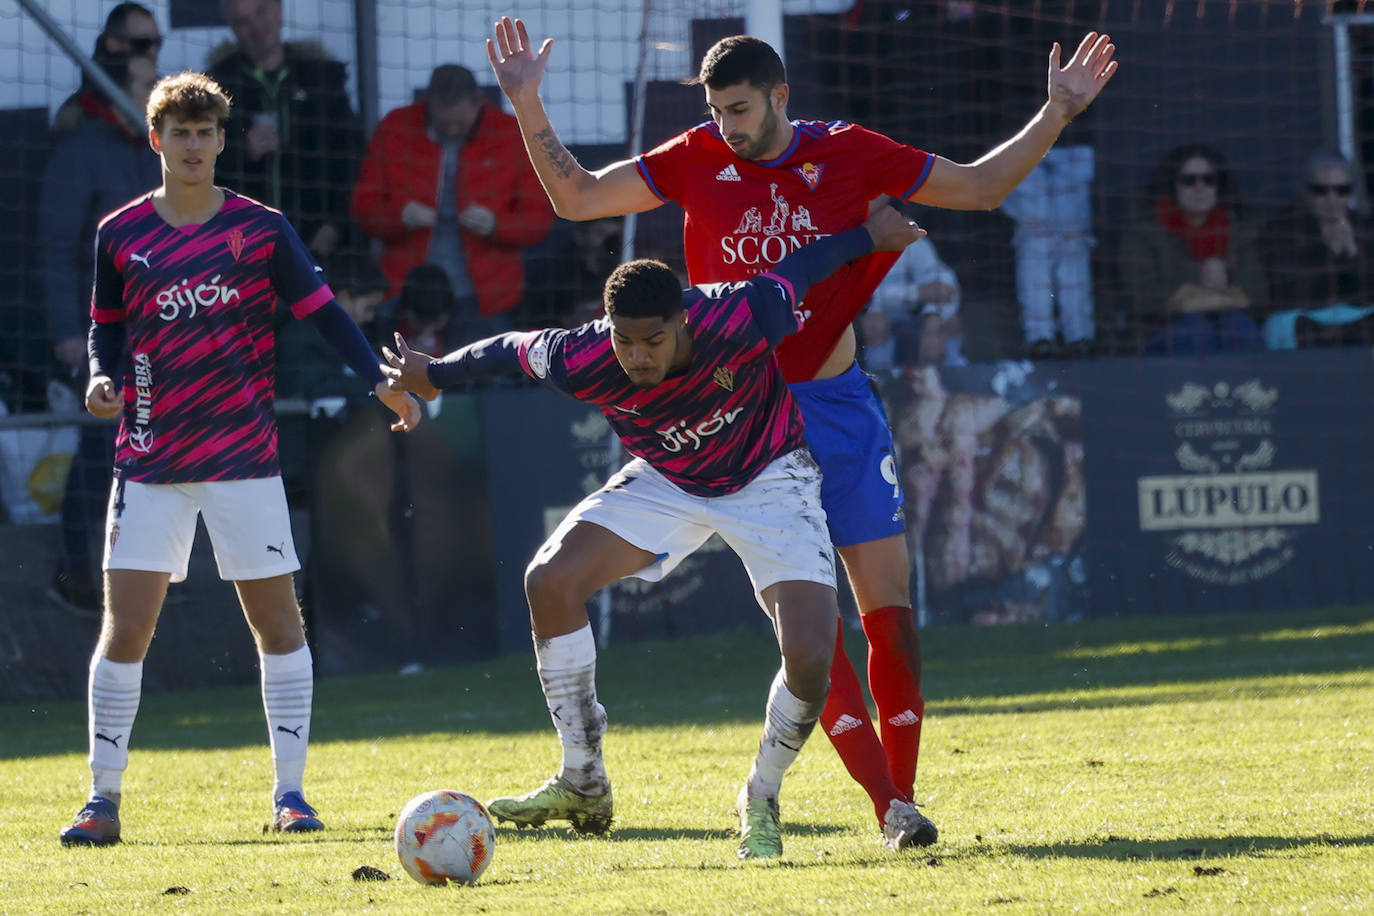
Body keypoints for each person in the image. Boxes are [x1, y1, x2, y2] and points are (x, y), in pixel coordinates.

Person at [486, 14, 1117, 851]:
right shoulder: (695, 156)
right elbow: (577, 198)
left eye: (740, 110)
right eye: (716, 112)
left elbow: (978, 187)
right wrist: (528, 102)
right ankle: (891, 807)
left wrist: (1058, 113)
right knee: (808, 630)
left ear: (781, 97)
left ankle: (899, 799)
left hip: (835, 402)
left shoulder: (849, 149)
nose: (726, 128)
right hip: (735, 419)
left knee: (887, 610)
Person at [383, 204, 925, 860]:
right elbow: (510, 349)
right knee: (550, 582)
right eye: (624, 341)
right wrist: (433, 375)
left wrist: (871, 234)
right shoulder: (584, 355)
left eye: (652, 341)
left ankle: (761, 794)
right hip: (668, 483)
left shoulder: (739, 313)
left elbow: (801, 268)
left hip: (771, 478)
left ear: (682, 322)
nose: (636, 356)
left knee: (811, 656)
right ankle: (583, 778)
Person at [57, 71, 420, 848]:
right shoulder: (119, 233)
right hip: (149, 458)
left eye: (205, 132)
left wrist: (378, 382)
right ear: (156, 140)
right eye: (178, 132)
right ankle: (101, 800)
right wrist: (98, 377)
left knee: (277, 624)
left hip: (243, 457)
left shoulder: (262, 229)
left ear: (223, 141)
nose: (192, 145)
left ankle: (291, 794)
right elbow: (106, 330)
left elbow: (325, 317)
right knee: (126, 631)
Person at [41, 51, 162, 615]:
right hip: (105, 332)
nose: (156, 87)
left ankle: (149, 578)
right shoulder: (83, 152)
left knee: (152, 451)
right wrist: (69, 330)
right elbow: (57, 249)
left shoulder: (156, 151)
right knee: (99, 451)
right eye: (145, 80)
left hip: (162, 330)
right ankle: (76, 572)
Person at [350, 64, 553, 347]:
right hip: (403, 290)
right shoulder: (395, 128)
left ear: (477, 102)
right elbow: (363, 206)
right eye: (445, 125)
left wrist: (496, 224)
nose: (453, 130)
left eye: (459, 123)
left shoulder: (510, 135)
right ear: (429, 105)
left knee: (481, 379)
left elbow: (540, 216)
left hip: (484, 295)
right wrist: (399, 216)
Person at [207, 0, 361, 259]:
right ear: (232, 28)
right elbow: (200, 170)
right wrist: (244, 152)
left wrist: (336, 224)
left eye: (261, 12)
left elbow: (350, 158)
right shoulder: (215, 87)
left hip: (318, 244)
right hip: (244, 248)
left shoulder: (321, 78)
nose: (256, 27)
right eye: (243, 22)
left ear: (279, 10)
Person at [1120, 143, 1267, 356]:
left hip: (1230, 324)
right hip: (1161, 332)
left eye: (1209, 180)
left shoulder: (1240, 229)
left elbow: (1257, 294)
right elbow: (1144, 300)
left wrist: (1191, 295)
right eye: (1189, 181)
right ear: (1173, 185)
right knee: (1197, 330)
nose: (1200, 187)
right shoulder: (1143, 231)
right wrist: (1202, 274)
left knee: (1239, 328)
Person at [1258, 151, 1374, 349]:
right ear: (1307, 192)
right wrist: (1331, 253)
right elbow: (1287, 293)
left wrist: (1353, 252)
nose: (1332, 200)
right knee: (1279, 325)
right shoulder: (1283, 228)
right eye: (1321, 191)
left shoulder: (1363, 226)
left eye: (1342, 190)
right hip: (1307, 317)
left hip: (1357, 316)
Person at [860, 219, 965, 371]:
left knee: (949, 322)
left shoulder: (912, 238)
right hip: (875, 314)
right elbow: (865, 295)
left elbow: (946, 287)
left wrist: (932, 319)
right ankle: (881, 379)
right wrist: (916, 293)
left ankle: (950, 378)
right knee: (874, 326)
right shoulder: (858, 240)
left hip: (915, 316)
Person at [53, 3, 163, 137]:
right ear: (113, 44)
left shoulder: (164, 96)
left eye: (158, 43)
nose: (153, 52)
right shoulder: (77, 114)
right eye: (142, 44)